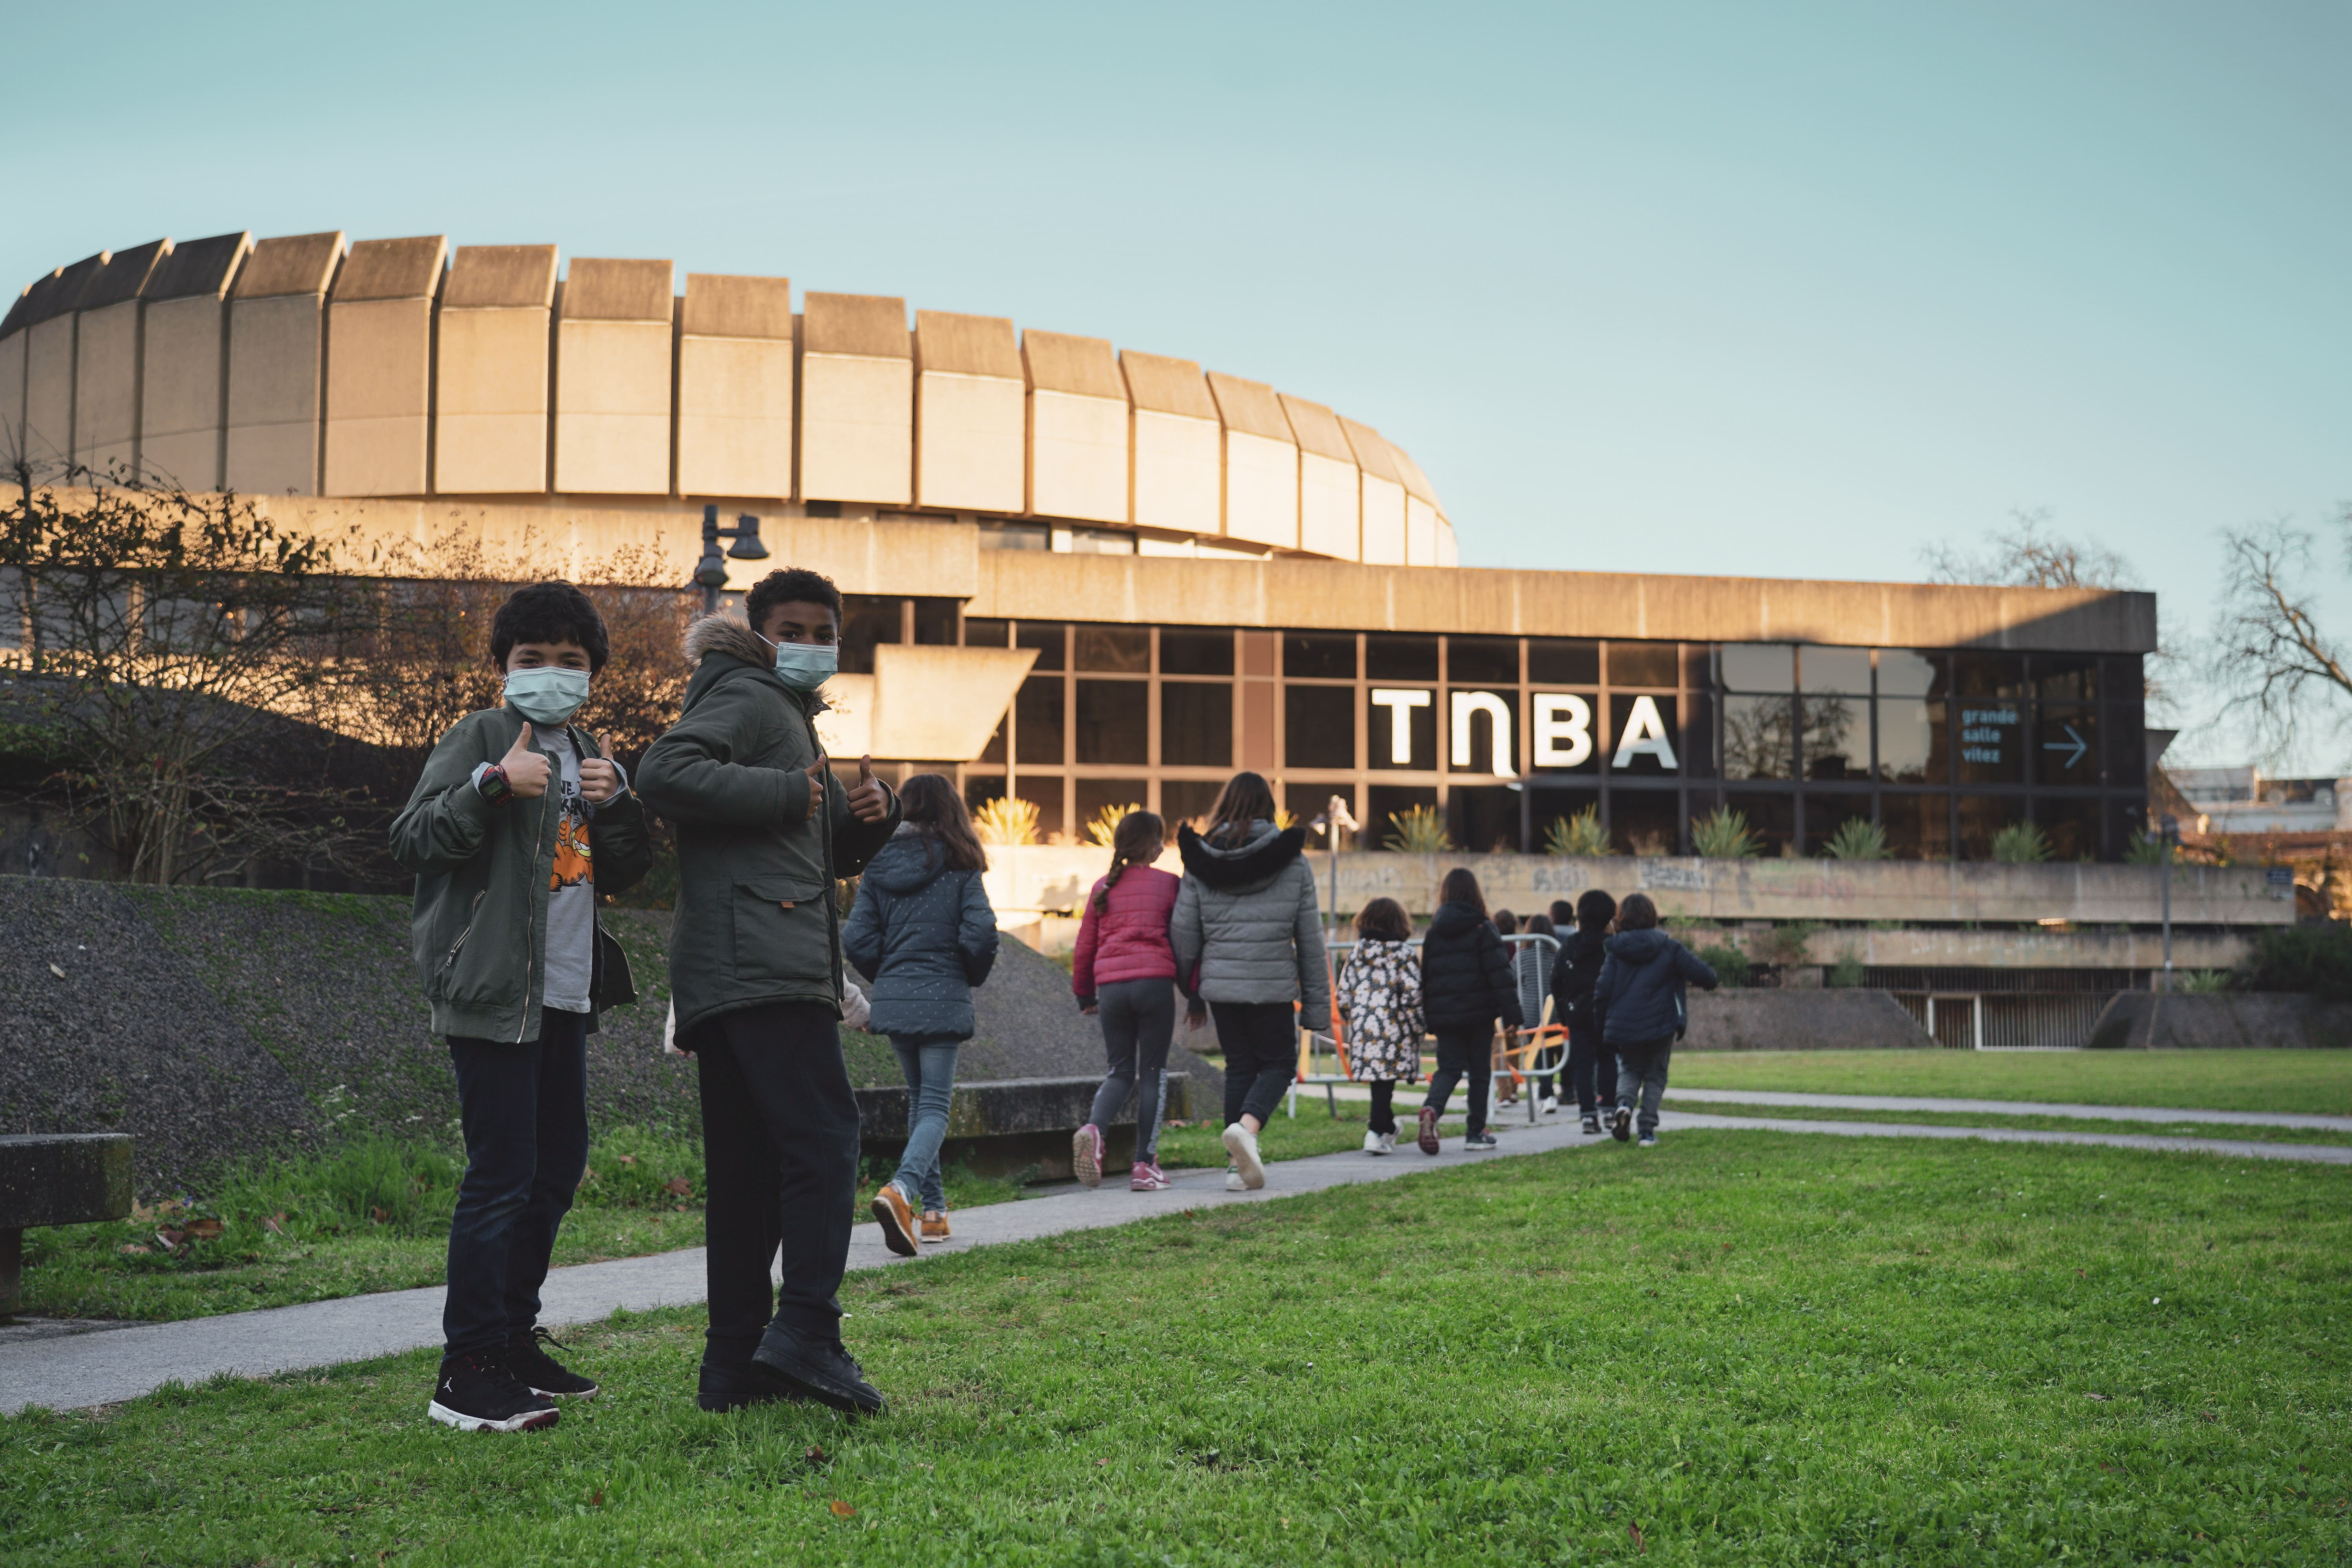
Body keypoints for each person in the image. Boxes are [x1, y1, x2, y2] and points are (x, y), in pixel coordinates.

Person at [636, 568, 900, 1416]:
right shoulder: (750, 696)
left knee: (749, 1175)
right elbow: (665, 772)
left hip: (747, 957)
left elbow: (805, 849)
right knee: (826, 1137)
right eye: (792, 627)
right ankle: (808, 1331)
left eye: (824, 630)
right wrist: (792, 788)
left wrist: (868, 817)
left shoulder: (786, 717)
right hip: (760, 963)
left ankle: (734, 1367)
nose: (810, 644)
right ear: (757, 630)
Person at [390, 581, 652, 1433]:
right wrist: (494, 785)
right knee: (501, 1175)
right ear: (503, 667)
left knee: (555, 1168)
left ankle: (512, 1337)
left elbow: (624, 871)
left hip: (566, 992)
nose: (550, 673)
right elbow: (413, 839)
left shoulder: (593, 750)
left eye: (569, 661)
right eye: (531, 658)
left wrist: (622, 805)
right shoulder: (480, 735)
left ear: (593, 673)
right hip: (494, 989)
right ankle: (466, 1369)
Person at [843, 774, 998, 1255]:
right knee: (933, 1105)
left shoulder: (879, 865)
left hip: (896, 997)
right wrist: (965, 974)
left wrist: (886, 976)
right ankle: (903, 1191)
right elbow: (981, 935)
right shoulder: (962, 865)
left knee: (919, 1101)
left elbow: (856, 939)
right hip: (943, 995)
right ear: (952, 811)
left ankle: (934, 1211)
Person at [1171, 772, 1329, 1191]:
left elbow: (1184, 933)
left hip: (1223, 985)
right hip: (1272, 982)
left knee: (1240, 1065)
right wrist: (1317, 1005)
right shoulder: (1293, 861)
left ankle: (1234, 1167)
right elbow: (1311, 940)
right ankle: (1247, 1128)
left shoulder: (1200, 859)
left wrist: (1191, 986)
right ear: (1268, 806)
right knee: (1279, 1064)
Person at [1071, 809, 1184, 1192]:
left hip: (1112, 989)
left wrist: (1084, 992)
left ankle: (1093, 1128)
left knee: (1119, 1071)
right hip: (1154, 985)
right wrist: (1194, 993)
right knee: (1153, 1073)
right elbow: (1185, 943)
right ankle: (1144, 1165)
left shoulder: (1103, 887)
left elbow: (1085, 945)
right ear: (1153, 847)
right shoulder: (1171, 884)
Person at [1592, 892, 1719, 1147]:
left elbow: (1602, 991)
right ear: (1653, 916)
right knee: (1655, 1075)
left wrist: (1602, 1024)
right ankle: (1647, 1131)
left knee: (1629, 1069)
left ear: (1622, 919)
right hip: (1661, 1025)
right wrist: (1707, 981)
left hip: (1626, 1025)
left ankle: (1625, 1106)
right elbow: (1704, 974)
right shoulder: (1669, 948)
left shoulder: (1616, 951)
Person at [1416, 868, 1522, 1154]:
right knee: (1479, 1072)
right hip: (1480, 1014)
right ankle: (1475, 1132)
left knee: (1448, 1069)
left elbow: (1427, 977)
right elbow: (1500, 974)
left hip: (1445, 1014)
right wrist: (1513, 1014)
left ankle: (1432, 1108)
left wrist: (1430, 1016)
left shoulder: (1435, 932)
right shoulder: (1483, 928)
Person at [1333, 898, 1423, 1154]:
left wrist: (1356, 1016)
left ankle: (1387, 1127)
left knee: (1379, 1082)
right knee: (1387, 1082)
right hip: (1396, 1027)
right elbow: (1412, 994)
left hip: (1365, 1028)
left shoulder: (1357, 953)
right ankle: (1375, 1131)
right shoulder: (1404, 954)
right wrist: (1418, 1026)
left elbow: (1343, 994)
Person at [1552, 890, 1619, 1134]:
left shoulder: (1571, 945)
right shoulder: (1612, 946)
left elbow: (1557, 980)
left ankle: (1588, 1115)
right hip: (1608, 1011)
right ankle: (1609, 1108)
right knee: (1607, 1059)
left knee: (1582, 1064)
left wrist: (1563, 1014)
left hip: (1577, 1011)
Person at [1488, 907, 1521, 1105]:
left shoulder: (1492, 945)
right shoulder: (1518, 946)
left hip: (1497, 1001)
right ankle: (1514, 1088)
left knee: (1497, 1049)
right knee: (1513, 1046)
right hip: (1515, 1000)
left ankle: (1505, 1093)